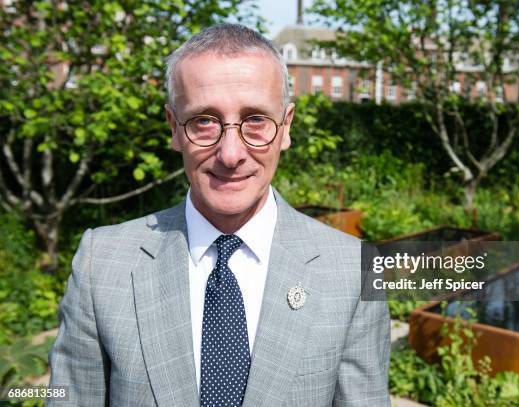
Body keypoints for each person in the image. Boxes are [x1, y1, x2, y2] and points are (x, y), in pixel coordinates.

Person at [47, 23, 390, 406]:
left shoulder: (353, 270)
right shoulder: (103, 264)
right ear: (175, 128)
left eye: (256, 120)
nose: (231, 154)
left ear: (286, 126)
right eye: (204, 122)